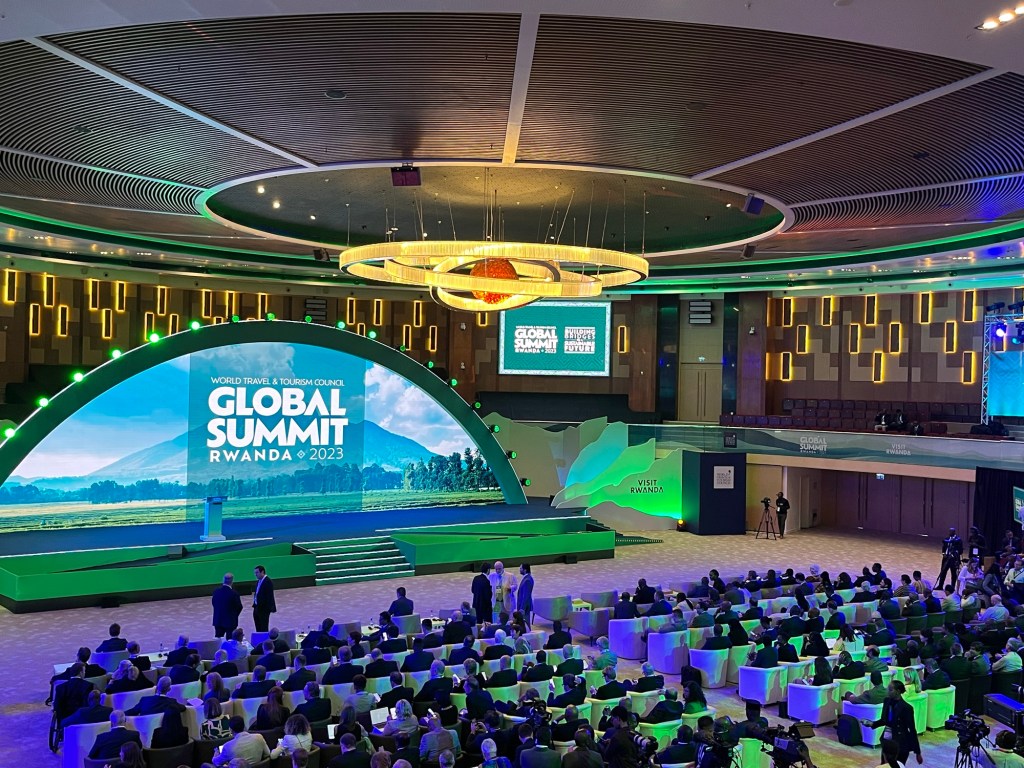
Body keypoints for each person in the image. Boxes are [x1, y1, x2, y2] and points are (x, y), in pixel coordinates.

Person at [861, 680, 923, 766]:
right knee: (884, 765)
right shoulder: (887, 701)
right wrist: (872, 724)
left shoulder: (906, 708)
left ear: (898, 691)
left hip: (900, 744)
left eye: (890, 689)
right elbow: (884, 720)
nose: (887, 691)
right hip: (887, 741)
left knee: (898, 765)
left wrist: (917, 752)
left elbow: (912, 729)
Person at [211, 572, 244, 638]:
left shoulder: (216, 592)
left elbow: (214, 603)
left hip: (218, 620)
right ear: (232, 581)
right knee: (230, 640)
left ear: (223, 580)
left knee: (218, 640)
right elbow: (239, 607)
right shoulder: (234, 593)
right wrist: (233, 615)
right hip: (230, 621)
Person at [252, 564, 276, 632]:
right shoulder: (259, 581)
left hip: (263, 609)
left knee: (264, 627)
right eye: (255, 573)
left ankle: (264, 639)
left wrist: (268, 609)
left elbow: (269, 597)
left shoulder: (268, 582)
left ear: (262, 572)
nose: (255, 574)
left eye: (257, 572)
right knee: (258, 627)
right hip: (257, 607)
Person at [518, 564, 535, 628]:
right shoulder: (527, 578)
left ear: (525, 570)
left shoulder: (527, 580)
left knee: (525, 624)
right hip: (525, 606)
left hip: (524, 607)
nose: (519, 570)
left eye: (520, 568)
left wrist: (522, 608)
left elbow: (526, 595)